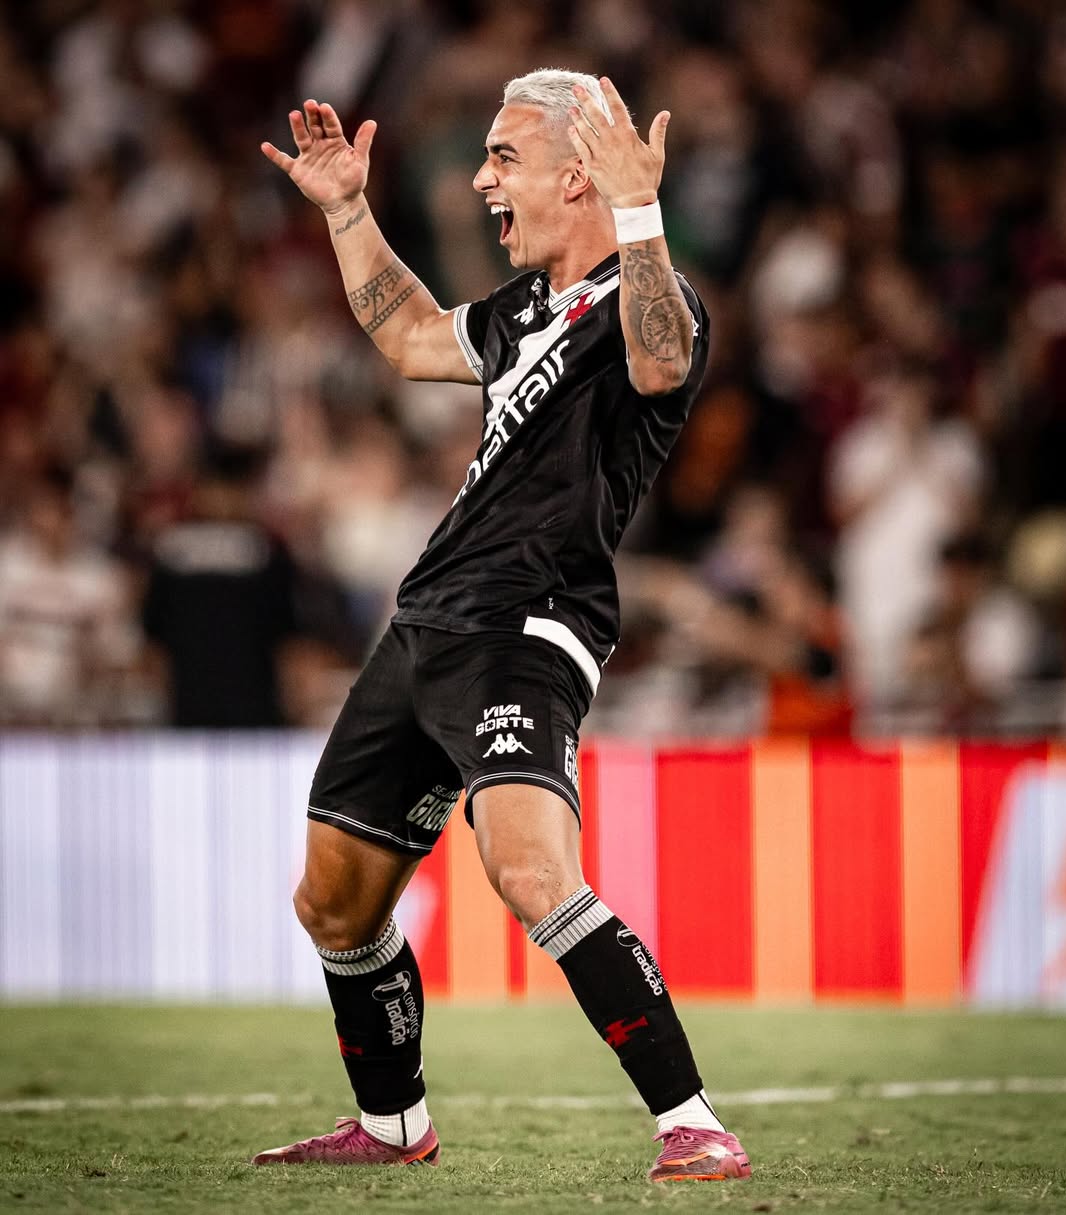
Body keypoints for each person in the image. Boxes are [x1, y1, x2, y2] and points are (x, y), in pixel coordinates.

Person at [252, 69, 751, 1185]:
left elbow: (666, 359)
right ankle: (393, 1124)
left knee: (528, 871)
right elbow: (412, 339)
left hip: (528, 623)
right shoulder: (523, 309)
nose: (481, 180)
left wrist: (641, 211)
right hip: (427, 619)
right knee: (333, 900)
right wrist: (347, 211)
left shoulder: (649, 295)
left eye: (503, 157)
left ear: (578, 177)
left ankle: (694, 1123)